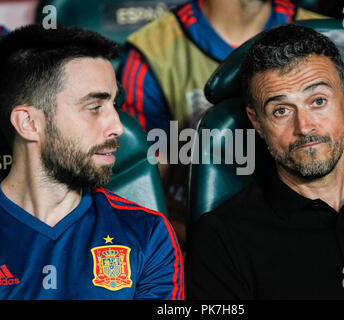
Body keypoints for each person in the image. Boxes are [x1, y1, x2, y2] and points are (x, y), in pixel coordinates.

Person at [185, 24, 344, 299]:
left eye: (318, 101)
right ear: (257, 123)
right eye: (281, 110)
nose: (305, 126)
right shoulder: (223, 239)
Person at [0, 25, 184, 300]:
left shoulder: (148, 232)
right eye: (95, 107)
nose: (118, 127)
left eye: (114, 105)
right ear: (28, 123)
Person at [119, 0, 325, 253]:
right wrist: (208, 242)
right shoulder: (153, 51)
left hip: (315, 231)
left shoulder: (325, 34)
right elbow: (144, 198)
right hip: (205, 242)